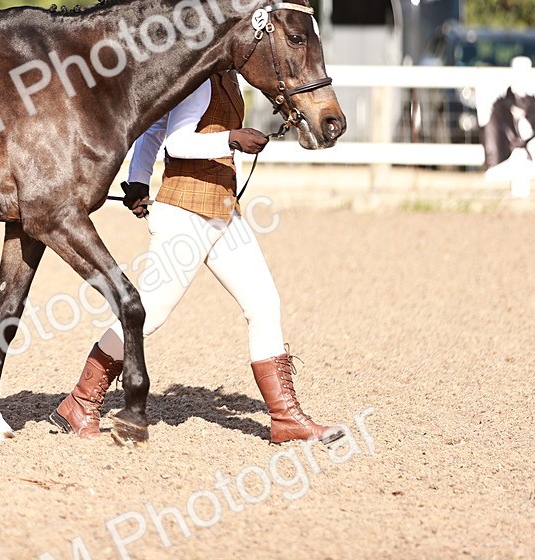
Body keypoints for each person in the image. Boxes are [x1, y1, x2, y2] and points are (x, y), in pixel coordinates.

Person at [49, 69, 342, 443]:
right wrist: (232, 140)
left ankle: (286, 418)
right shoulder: (203, 78)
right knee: (149, 316)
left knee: (264, 303)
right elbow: (177, 142)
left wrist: (139, 178)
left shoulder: (227, 77)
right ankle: (80, 401)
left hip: (223, 211)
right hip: (185, 214)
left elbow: (156, 126)